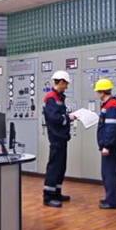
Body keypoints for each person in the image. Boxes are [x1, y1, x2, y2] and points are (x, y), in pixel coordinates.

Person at [42, 71, 77, 208]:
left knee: (61, 167)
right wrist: (69, 118)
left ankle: (56, 193)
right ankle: (48, 197)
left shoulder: (58, 97)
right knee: (54, 167)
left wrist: (68, 116)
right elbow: (54, 118)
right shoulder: (51, 98)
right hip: (56, 137)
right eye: (66, 83)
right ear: (61, 82)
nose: (67, 86)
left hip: (62, 137)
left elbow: (59, 115)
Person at [95, 78, 116, 209]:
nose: (97, 94)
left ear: (102, 92)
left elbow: (111, 128)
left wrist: (107, 145)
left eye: (98, 92)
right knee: (107, 173)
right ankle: (109, 198)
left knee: (110, 174)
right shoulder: (110, 105)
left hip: (111, 147)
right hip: (110, 145)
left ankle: (112, 202)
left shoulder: (112, 106)